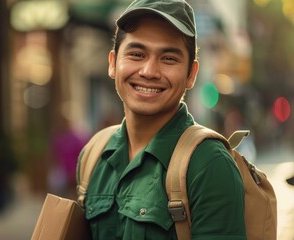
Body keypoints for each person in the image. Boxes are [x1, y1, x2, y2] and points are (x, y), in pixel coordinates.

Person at [76, 0, 246, 239]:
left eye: (168, 59)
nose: (148, 71)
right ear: (113, 63)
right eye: (136, 54)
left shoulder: (209, 164)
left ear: (191, 74)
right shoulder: (93, 155)